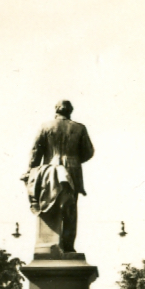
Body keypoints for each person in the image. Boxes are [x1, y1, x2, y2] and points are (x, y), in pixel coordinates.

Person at [23, 99, 95, 254]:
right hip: (72, 170)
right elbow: (89, 152)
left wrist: (30, 170)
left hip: (50, 168)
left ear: (56, 110)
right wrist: (74, 158)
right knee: (70, 207)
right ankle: (68, 245)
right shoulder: (80, 128)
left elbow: (36, 151)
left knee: (48, 202)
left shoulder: (46, 126)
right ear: (70, 111)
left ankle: (49, 244)